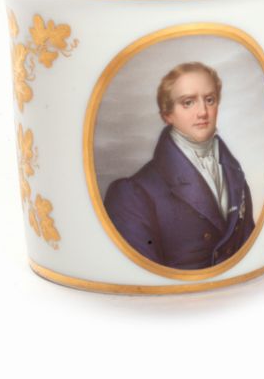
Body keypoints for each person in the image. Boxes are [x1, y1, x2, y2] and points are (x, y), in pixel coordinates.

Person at [104, 62, 256, 269]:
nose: (203, 112)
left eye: (209, 100)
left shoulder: (235, 174)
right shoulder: (133, 194)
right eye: (188, 103)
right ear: (167, 114)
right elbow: (146, 275)